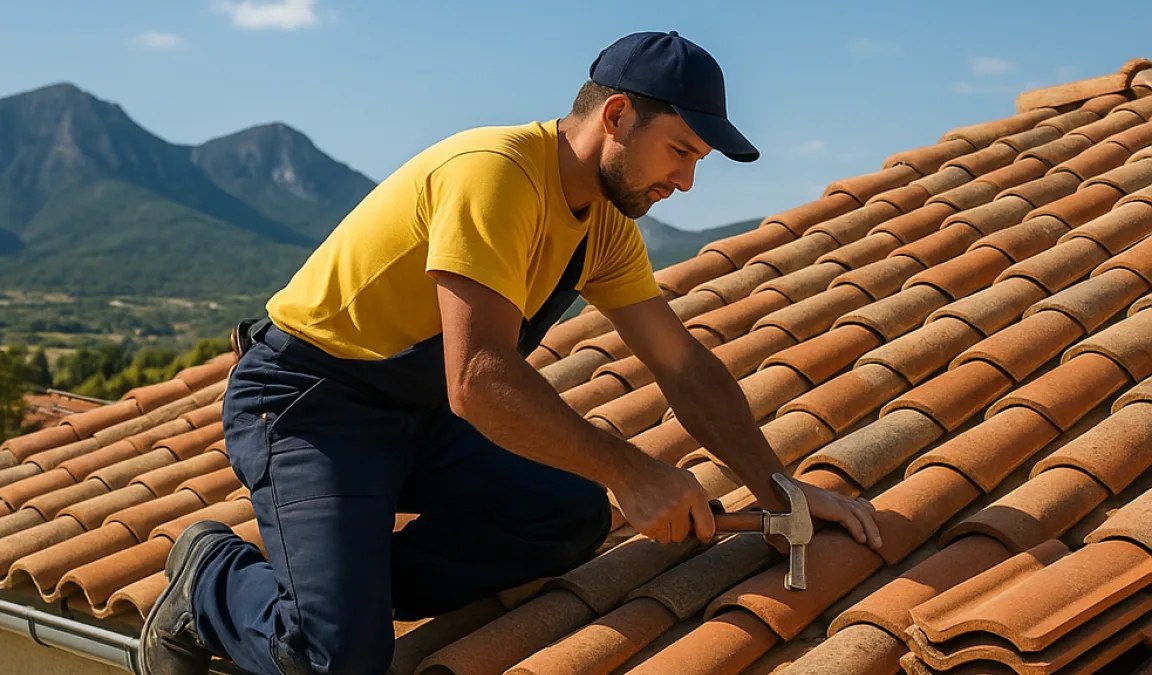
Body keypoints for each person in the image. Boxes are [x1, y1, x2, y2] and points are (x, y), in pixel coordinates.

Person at [138, 30, 884, 675]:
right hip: (311, 406)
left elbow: (682, 366)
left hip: (422, 417)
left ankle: (335, 589)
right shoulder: (496, 172)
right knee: (338, 660)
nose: (686, 182)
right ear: (617, 117)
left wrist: (779, 490)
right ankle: (213, 577)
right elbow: (476, 378)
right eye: (680, 151)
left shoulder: (603, 223)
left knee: (565, 515)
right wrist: (632, 471)